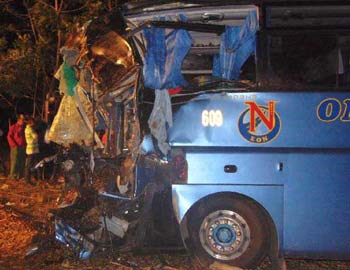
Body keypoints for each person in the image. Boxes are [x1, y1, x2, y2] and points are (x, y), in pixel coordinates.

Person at [7, 115, 26, 180]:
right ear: (19, 120)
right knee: (15, 161)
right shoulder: (13, 127)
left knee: (22, 161)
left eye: (24, 120)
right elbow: (9, 137)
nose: (23, 121)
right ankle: (12, 175)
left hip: (23, 147)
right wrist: (14, 145)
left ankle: (21, 175)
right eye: (22, 120)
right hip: (15, 147)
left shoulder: (25, 127)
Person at [24, 117, 39, 185]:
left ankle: (30, 179)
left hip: (32, 149)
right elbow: (35, 136)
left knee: (31, 165)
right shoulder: (30, 129)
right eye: (33, 122)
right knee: (29, 165)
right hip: (31, 149)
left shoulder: (28, 129)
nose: (34, 123)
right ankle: (27, 180)